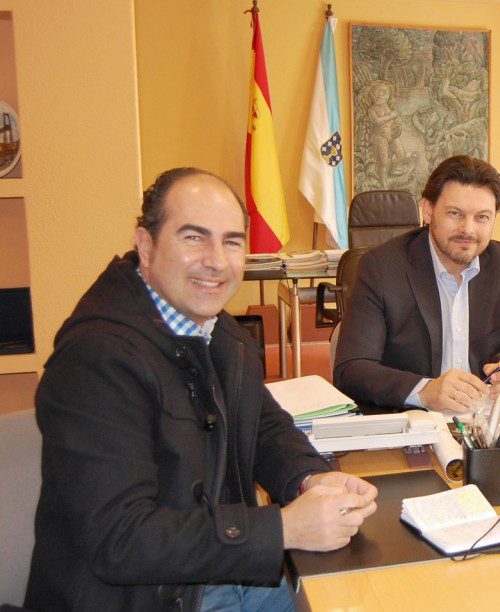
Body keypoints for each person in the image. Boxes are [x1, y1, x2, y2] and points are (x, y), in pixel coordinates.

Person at [27, 168, 378, 611]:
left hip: (224, 570)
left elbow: (265, 427)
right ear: (145, 246)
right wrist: (283, 529)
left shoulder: (218, 331)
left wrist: (310, 478)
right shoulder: (95, 361)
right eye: (193, 238)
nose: (216, 260)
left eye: (232, 241)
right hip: (141, 597)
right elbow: (119, 539)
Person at [334, 155, 500, 412]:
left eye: (482, 217)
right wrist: (424, 390)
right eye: (455, 213)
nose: (468, 230)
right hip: (409, 420)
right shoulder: (381, 267)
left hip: (483, 422)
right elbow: (351, 369)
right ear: (428, 210)